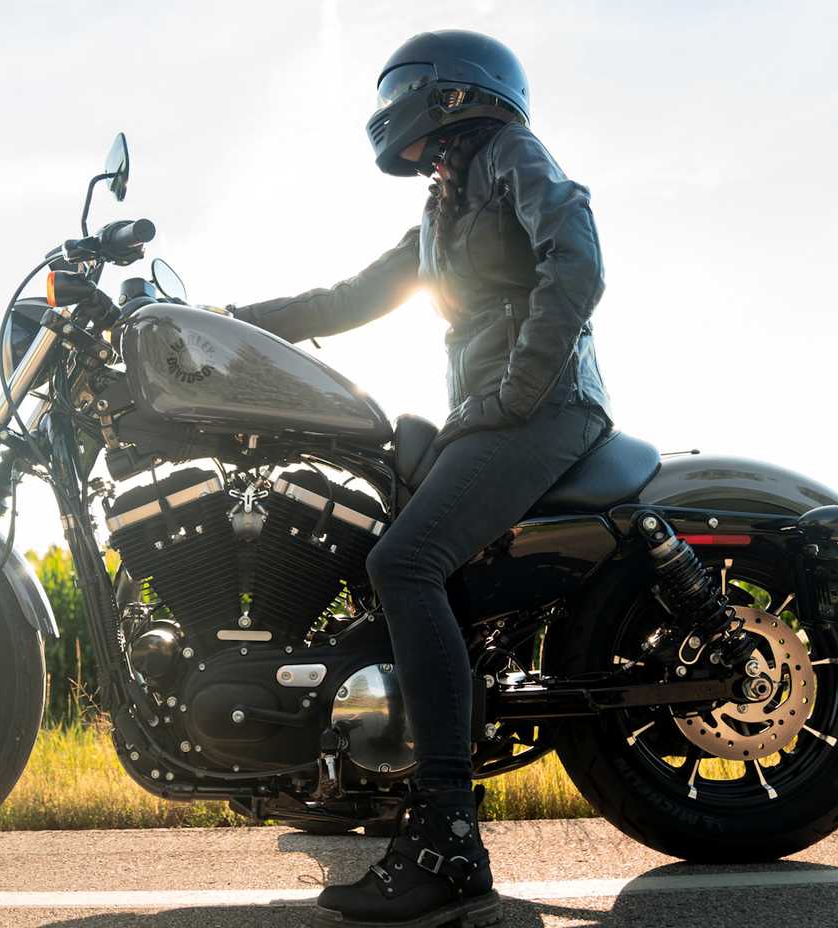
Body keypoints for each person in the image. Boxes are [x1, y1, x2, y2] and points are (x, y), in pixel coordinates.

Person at [229, 29, 611, 928]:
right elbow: (345, 300)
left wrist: (518, 389)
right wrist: (225, 323)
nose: (392, 113)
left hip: (543, 408)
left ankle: (449, 839)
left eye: (402, 90)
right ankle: (371, 774)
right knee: (371, 542)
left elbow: (577, 256)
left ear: (455, 93)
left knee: (405, 563)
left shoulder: (511, 155)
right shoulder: (440, 213)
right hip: (490, 410)